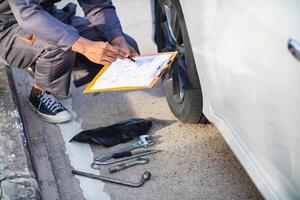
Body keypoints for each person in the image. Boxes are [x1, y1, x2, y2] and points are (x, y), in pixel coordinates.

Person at [0, 0, 139, 123]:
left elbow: (98, 5)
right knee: (62, 45)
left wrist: (118, 39)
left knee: (116, 48)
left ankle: (42, 64)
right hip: (7, 26)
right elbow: (27, 15)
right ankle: (40, 93)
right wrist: (85, 47)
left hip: (45, 14)